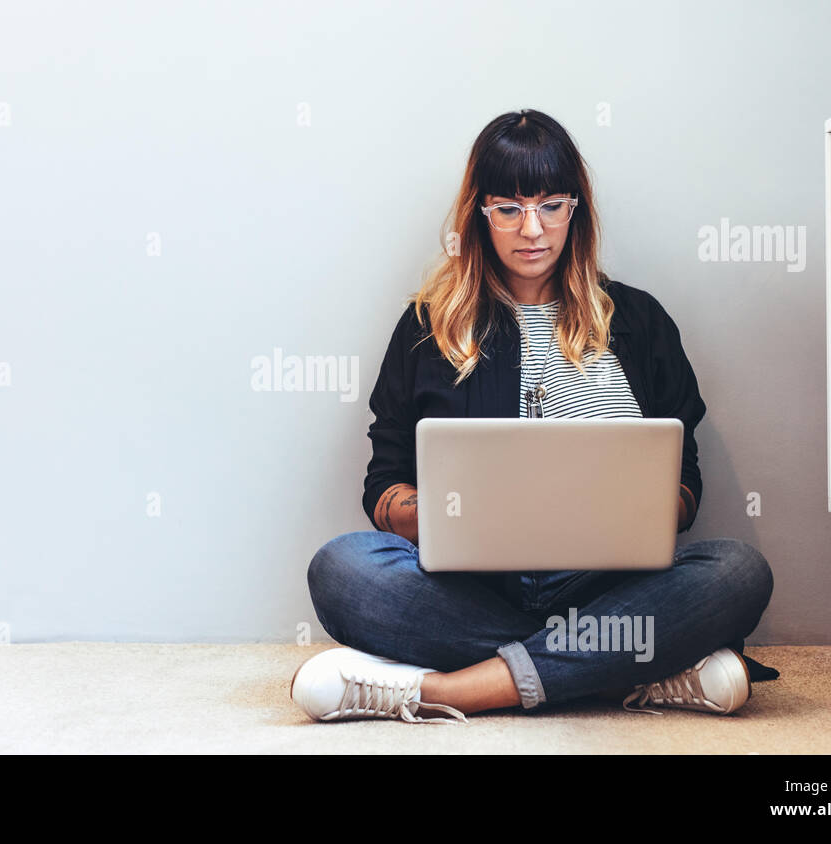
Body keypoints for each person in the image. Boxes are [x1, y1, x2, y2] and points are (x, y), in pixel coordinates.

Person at [291, 109, 775, 724]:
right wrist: (448, 516)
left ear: (576, 209)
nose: (532, 229)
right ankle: (623, 670)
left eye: (550, 205)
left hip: (607, 586)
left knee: (736, 570)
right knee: (342, 569)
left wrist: (639, 508)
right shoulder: (428, 326)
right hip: (472, 590)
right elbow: (383, 483)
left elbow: (686, 484)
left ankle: (447, 691)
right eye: (509, 208)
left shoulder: (641, 321)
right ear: (479, 213)